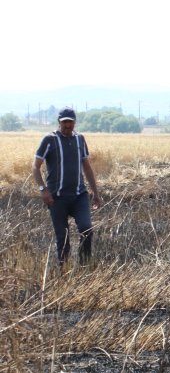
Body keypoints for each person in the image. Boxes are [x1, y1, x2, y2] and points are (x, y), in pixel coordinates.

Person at [32, 107, 103, 266]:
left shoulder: (80, 139)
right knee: (62, 239)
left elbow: (87, 166)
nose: (67, 125)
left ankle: (84, 267)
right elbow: (35, 167)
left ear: (74, 122)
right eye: (64, 122)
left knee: (86, 229)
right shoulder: (49, 140)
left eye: (70, 122)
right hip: (57, 199)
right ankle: (62, 272)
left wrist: (96, 193)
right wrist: (43, 190)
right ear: (59, 122)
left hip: (79, 196)